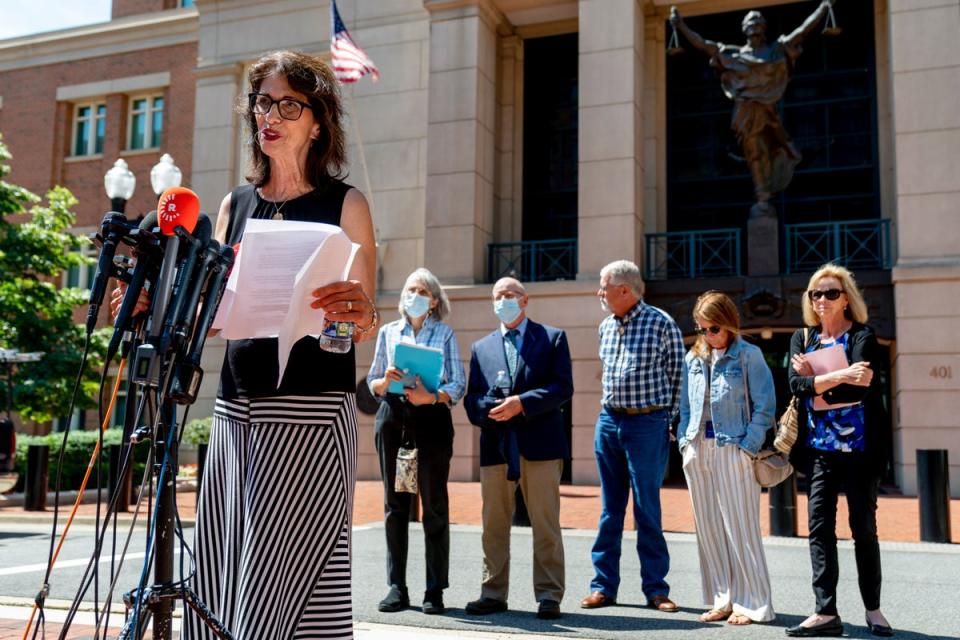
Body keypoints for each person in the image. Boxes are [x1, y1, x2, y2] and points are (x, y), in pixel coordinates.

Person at [125, 50, 377, 639]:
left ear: (318, 121)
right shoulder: (236, 204)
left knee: (289, 566)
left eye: (289, 103)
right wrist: (155, 303)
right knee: (227, 561)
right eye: (263, 102)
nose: (271, 114)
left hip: (312, 414)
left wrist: (359, 315)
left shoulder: (347, 203)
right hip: (238, 410)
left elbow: (359, 319)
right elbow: (209, 312)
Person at [786, 264, 893, 638]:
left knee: (863, 529)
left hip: (860, 450)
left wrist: (816, 383)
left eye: (831, 293)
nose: (822, 300)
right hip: (819, 451)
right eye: (816, 293)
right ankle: (825, 612)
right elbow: (796, 386)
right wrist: (839, 376)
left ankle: (874, 610)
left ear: (846, 298)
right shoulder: (802, 338)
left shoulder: (863, 336)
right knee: (819, 529)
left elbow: (859, 391)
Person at [463, 277, 574, 620]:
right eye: (498, 296)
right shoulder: (481, 348)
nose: (504, 300)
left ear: (525, 300)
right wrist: (489, 409)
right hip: (496, 446)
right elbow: (471, 399)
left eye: (510, 295)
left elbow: (562, 387)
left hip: (540, 445)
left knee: (545, 523)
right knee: (493, 524)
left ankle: (549, 594)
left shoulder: (552, 338)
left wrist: (522, 403)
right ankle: (492, 592)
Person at [581, 260, 684, 613]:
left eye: (603, 286)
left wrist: (668, 421)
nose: (599, 293)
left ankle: (656, 589)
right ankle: (603, 587)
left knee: (646, 508)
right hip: (609, 422)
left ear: (624, 290)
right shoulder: (605, 326)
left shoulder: (661, 323)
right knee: (610, 510)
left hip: (647, 424)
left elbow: (677, 378)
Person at [669, 1, 837, 216]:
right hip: (746, 113)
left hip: (768, 111)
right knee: (755, 154)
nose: (754, 27)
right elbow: (702, 44)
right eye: (751, 23)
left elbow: (802, 31)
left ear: (764, 28)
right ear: (744, 29)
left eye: (758, 23)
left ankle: (774, 177)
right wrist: (680, 25)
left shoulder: (776, 49)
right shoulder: (732, 55)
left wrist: (823, 9)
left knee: (773, 150)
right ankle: (762, 194)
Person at [366, 268, 465, 616]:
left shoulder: (446, 333)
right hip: (394, 420)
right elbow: (372, 379)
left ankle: (434, 589)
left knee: (434, 505)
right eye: (410, 289)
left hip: (432, 423)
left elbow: (458, 384)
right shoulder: (388, 332)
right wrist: (383, 383)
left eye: (422, 290)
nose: (414, 295)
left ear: (434, 300)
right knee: (396, 506)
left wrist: (433, 396)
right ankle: (397, 586)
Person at [678, 291, 777, 626]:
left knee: (741, 528)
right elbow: (685, 408)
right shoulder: (692, 359)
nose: (708, 336)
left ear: (730, 325)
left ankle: (753, 603)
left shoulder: (749, 355)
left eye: (714, 329)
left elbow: (765, 406)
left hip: (733, 448)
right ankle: (724, 598)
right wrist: (683, 444)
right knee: (709, 528)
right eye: (702, 329)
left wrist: (747, 446)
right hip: (697, 450)